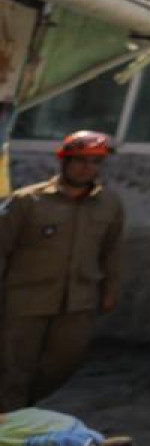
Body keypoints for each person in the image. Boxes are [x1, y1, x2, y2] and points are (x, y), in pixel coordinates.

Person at [0, 130, 125, 411]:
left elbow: (112, 250)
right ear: (64, 162)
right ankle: (11, 426)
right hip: (26, 299)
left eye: (95, 162)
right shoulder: (27, 201)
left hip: (79, 300)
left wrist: (110, 290)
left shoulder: (109, 204)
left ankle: (25, 407)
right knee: (14, 366)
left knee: (65, 361)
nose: (87, 168)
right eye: (80, 160)